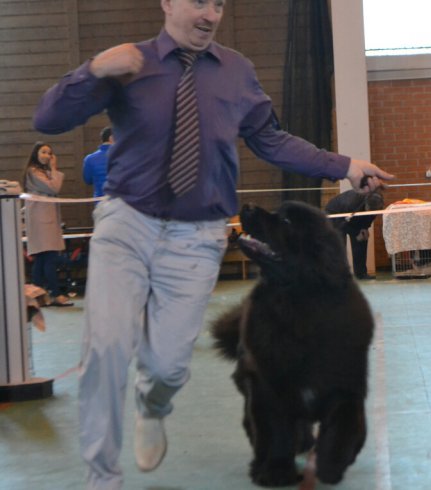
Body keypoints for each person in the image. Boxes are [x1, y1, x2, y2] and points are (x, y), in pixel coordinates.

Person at [33, 1, 393, 488]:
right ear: (168, 2)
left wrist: (343, 164)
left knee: (168, 366)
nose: (210, 14)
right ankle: (103, 478)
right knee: (107, 348)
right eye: (199, 1)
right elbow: (48, 118)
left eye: (219, 4)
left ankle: (152, 403)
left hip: (198, 234)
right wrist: (94, 70)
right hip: (127, 223)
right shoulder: (128, 62)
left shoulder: (237, 72)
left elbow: (271, 140)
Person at [21, 141, 74, 307]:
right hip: (40, 219)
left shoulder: (42, 172)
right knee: (49, 257)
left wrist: (51, 170)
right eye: (44, 152)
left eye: (50, 153)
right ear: (36, 153)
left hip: (46, 218)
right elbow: (54, 188)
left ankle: (38, 296)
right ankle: (55, 294)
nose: (47, 156)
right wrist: (54, 168)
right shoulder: (33, 171)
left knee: (43, 259)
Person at [325, 187, 385, 280]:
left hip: (353, 216)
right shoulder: (351, 203)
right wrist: (357, 233)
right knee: (340, 245)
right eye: (369, 210)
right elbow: (345, 223)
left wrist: (365, 228)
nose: (372, 213)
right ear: (366, 204)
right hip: (336, 215)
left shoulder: (377, 201)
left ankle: (361, 274)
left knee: (362, 241)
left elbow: (371, 215)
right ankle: (340, 275)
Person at [82, 126, 113, 197]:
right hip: (121, 202)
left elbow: (88, 180)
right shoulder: (123, 156)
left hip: (99, 201)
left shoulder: (89, 158)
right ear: (111, 138)